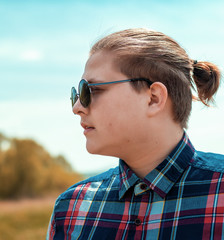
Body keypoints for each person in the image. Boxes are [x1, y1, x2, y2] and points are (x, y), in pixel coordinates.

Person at [47, 28, 223, 239]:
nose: (77, 107)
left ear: (154, 98)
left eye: (91, 90)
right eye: (76, 94)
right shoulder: (70, 209)